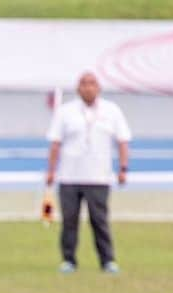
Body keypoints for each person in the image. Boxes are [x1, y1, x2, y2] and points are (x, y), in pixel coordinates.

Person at [45, 71, 132, 274]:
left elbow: (122, 141)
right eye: (84, 84)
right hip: (69, 177)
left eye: (92, 83)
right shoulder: (65, 112)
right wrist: (51, 170)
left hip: (99, 177)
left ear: (99, 88)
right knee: (69, 221)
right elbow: (55, 143)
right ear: (78, 89)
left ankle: (107, 261)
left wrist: (123, 168)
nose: (88, 87)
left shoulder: (112, 111)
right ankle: (68, 261)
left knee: (99, 221)